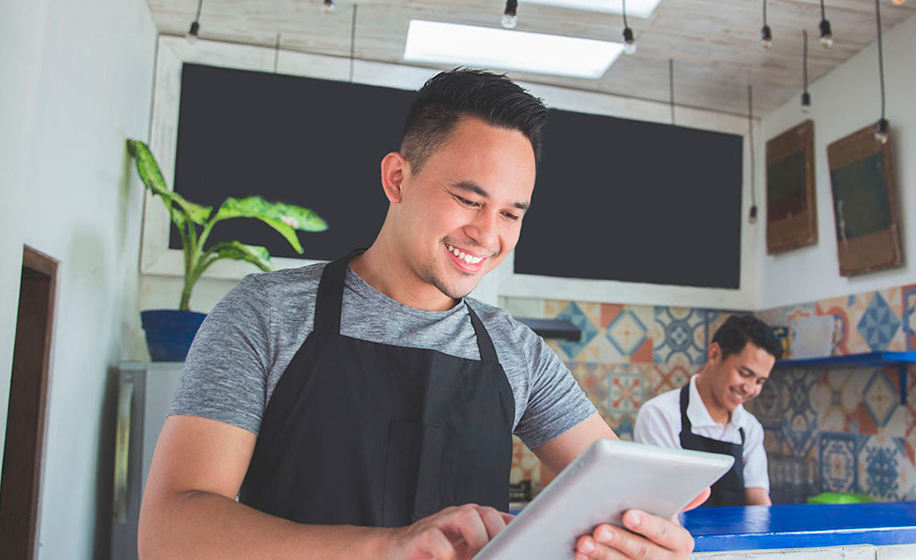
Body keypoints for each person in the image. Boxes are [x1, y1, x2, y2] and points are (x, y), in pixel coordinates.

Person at [138, 69, 705, 560]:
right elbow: (168, 533)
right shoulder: (265, 313)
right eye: (468, 199)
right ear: (397, 178)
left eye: (511, 213)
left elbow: (619, 492)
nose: (488, 235)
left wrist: (648, 531)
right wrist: (387, 548)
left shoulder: (519, 352)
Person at [634, 314, 783, 506]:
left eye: (760, 382)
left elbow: (758, 499)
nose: (750, 388)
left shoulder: (749, 427)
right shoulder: (660, 415)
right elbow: (663, 500)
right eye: (744, 374)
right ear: (714, 354)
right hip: (678, 533)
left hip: (738, 536)